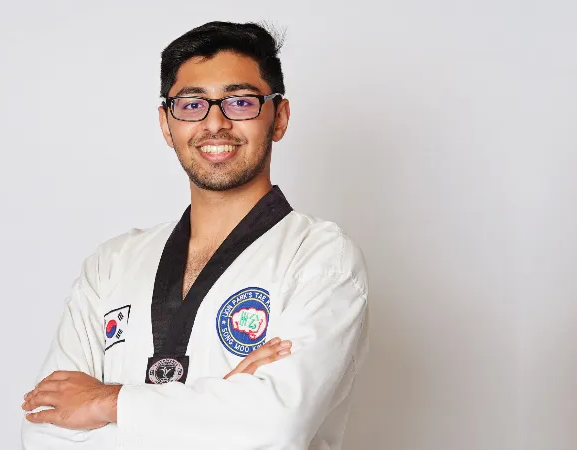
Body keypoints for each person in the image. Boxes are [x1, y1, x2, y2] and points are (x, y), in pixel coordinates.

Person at [20, 21, 369, 450]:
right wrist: (223, 407)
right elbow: (42, 433)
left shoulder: (319, 258)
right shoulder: (111, 265)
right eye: (191, 105)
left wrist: (108, 402)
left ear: (279, 117)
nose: (215, 123)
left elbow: (277, 427)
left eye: (241, 102)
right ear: (167, 125)